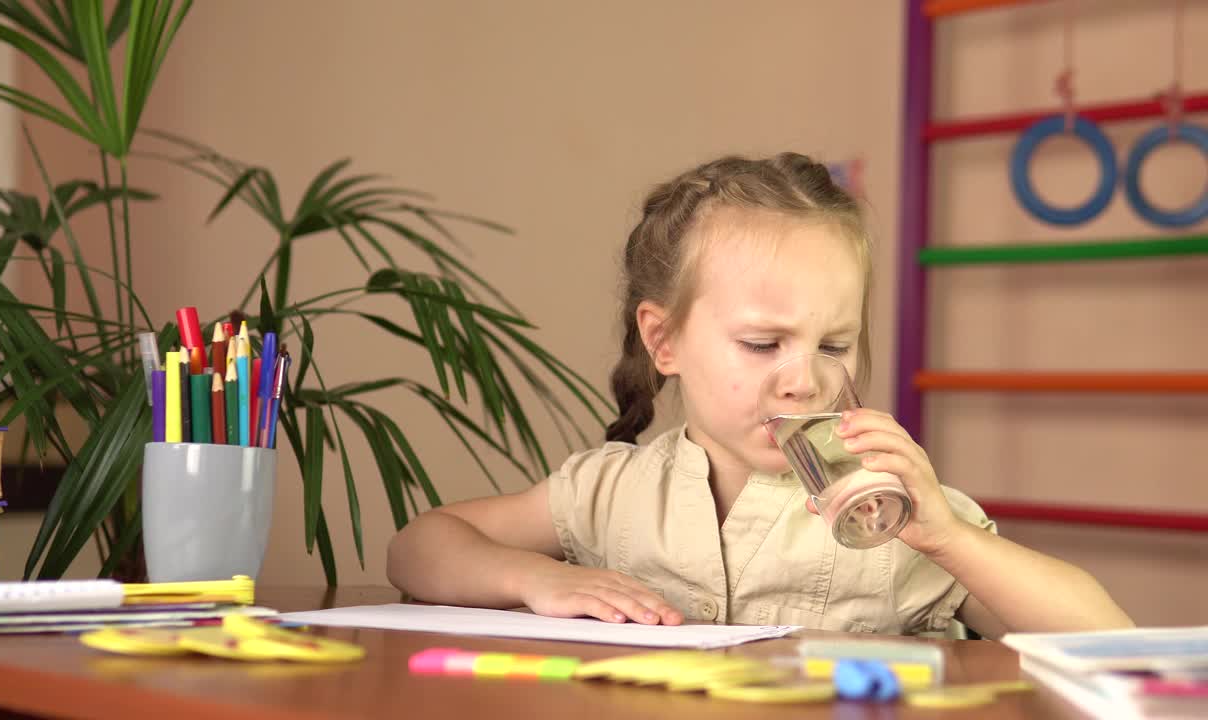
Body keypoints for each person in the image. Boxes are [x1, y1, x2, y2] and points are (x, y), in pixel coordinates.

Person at [387, 153, 1134, 637]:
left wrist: (948, 536)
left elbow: (1108, 641)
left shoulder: (896, 514)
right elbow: (417, 548)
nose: (803, 379)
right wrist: (537, 579)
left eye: (833, 345)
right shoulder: (607, 491)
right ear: (664, 341)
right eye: (762, 344)